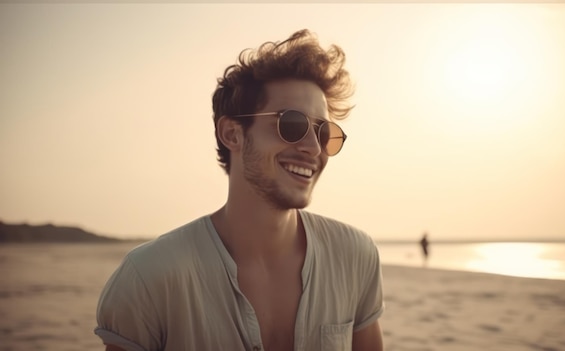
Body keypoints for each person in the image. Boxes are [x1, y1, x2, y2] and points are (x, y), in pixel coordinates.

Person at [94, 29, 384, 351]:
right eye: (292, 125)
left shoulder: (355, 258)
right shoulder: (150, 278)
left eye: (324, 132)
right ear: (232, 134)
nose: (313, 148)